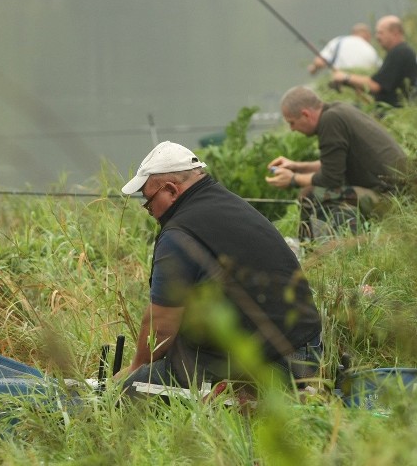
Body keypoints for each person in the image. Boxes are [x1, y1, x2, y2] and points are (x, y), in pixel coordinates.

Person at [114, 141, 322, 394]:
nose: (150, 211)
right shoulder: (228, 204)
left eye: (148, 203)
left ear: (170, 190)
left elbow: (162, 323)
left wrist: (137, 366)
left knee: (136, 387)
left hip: (274, 364)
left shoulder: (179, 233)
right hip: (309, 350)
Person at [266, 86, 407, 241]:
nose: (292, 129)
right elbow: (333, 165)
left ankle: (313, 248)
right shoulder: (338, 110)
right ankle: (310, 244)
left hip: (390, 198)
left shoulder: (330, 122)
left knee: (310, 194)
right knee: (311, 191)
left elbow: (330, 178)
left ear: (305, 114)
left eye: (292, 123)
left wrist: (293, 179)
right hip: (399, 189)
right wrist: (296, 166)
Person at [330, 15, 417, 109]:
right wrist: (351, 84)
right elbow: (384, 86)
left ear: (395, 33)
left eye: (381, 33)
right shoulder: (404, 51)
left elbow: (375, 85)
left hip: (398, 114)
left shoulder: (399, 53)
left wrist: (345, 77)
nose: (377, 37)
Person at [308, 23, 381, 75]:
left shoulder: (339, 41)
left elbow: (319, 62)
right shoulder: (371, 50)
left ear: (353, 33)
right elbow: (380, 69)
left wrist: (314, 67)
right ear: (368, 36)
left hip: (339, 85)